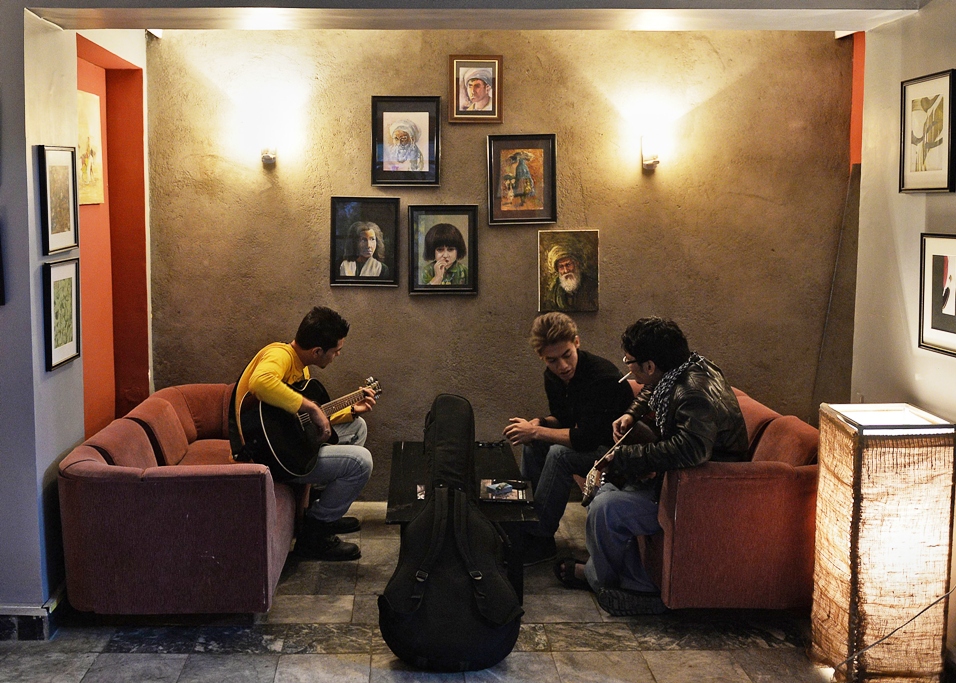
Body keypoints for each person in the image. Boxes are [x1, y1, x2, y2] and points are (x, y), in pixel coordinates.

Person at [555, 317, 748, 616]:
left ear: (648, 365)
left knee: (605, 508)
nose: (627, 367)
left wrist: (623, 458)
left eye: (630, 361)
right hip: (678, 481)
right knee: (608, 489)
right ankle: (638, 583)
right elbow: (654, 387)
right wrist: (632, 414)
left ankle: (599, 579)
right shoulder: (686, 366)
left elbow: (691, 450)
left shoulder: (694, 393)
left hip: (700, 494)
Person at [230, 306, 377, 562]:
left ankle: (323, 508)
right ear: (317, 351)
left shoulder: (302, 367)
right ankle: (316, 534)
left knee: (357, 427)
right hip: (267, 454)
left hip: (285, 443)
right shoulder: (280, 355)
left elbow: (306, 420)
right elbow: (260, 382)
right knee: (361, 462)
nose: (338, 355)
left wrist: (352, 410)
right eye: (336, 351)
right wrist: (308, 405)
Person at [503, 312, 634, 565]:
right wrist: (538, 424)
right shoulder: (552, 376)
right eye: (552, 360)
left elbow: (585, 440)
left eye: (566, 355)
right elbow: (562, 420)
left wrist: (537, 431)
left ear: (577, 342)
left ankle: (541, 539)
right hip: (592, 443)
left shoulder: (601, 377)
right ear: (542, 357)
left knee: (559, 455)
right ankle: (526, 523)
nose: (562, 366)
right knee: (534, 446)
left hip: (617, 452)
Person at [542, 245, 598, 312]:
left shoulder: (592, 286)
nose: (566, 270)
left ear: (576, 264)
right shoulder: (554, 291)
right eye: (561, 267)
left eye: (568, 265)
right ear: (558, 270)